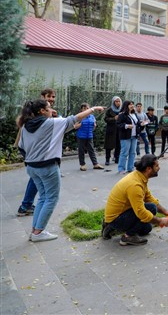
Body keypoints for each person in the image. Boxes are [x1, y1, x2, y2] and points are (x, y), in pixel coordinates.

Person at [18, 99, 104, 242]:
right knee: (51, 198)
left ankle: (35, 230)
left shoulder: (25, 126)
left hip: (31, 167)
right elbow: (75, 118)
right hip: (47, 166)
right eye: (49, 108)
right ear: (42, 111)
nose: (52, 110)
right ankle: (38, 232)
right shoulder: (51, 123)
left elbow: (21, 147)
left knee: (43, 197)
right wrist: (93, 109)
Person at [102, 154, 168, 246]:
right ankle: (127, 237)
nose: (159, 168)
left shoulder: (139, 176)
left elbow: (148, 197)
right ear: (148, 169)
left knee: (147, 228)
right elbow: (140, 212)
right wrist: (160, 221)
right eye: (156, 166)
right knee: (151, 208)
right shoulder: (135, 185)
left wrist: (166, 212)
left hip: (120, 214)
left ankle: (109, 226)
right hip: (117, 218)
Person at [16, 88, 58, 217]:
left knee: (35, 179)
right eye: (49, 97)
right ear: (43, 97)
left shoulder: (44, 112)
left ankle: (27, 204)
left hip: (34, 153)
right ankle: (26, 205)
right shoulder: (36, 112)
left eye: (53, 97)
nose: (52, 99)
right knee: (35, 180)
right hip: (35, 154)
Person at [74, 103, 103, 171]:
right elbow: (75, 127)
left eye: (87, 108)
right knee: (81, 150)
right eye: (84, 108)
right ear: (81, 110)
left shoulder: (92, 117)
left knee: (91, 150)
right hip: (81, 136)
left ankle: (95, 164)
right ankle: (82, 165)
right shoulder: (80, 117)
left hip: (89, 136)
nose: (86, 110)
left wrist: (94, 126)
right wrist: (80, 124)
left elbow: (94, 125)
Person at [117, 101, 140, 175]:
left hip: (134, 136)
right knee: (124, 152)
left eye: (132, 104)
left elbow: (137, 123)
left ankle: (130, 168)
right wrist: (127, 126)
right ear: (126, 106)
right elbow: (118, 125)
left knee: (133, 152)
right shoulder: (122, 115)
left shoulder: (134, 114)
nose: (132, 105)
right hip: (125, 136)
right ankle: (121, 168)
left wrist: (142, 123)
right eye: (130, 104)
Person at [104, 96, 121, 165]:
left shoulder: (121, 110)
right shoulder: (109, 110)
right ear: (113, 102)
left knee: (118, 145)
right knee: (108, 145)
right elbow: (106, 119)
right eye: (116, 101)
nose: (118, 103)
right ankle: (107, 159)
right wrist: (114, 118)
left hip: (119, 130)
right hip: (111, 129)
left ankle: (117, 158)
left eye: (119, 101)